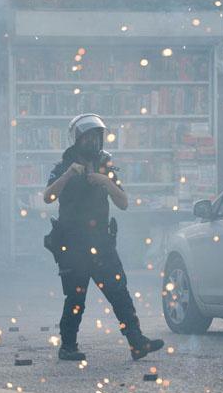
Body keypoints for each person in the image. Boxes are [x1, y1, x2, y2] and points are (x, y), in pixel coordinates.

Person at [44, 113, 164, 361]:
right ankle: (68, 346)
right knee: (76, 297)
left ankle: (136, 341)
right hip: (72, 245)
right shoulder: (62, 168)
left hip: (101, 243)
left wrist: (107, 182)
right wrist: (67, 176)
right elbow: (48, 197)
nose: (92, 142)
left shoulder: (105, 168)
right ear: (77, 140)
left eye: (96, 137)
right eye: (87, 137)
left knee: (119, 292)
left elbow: (123, 203)